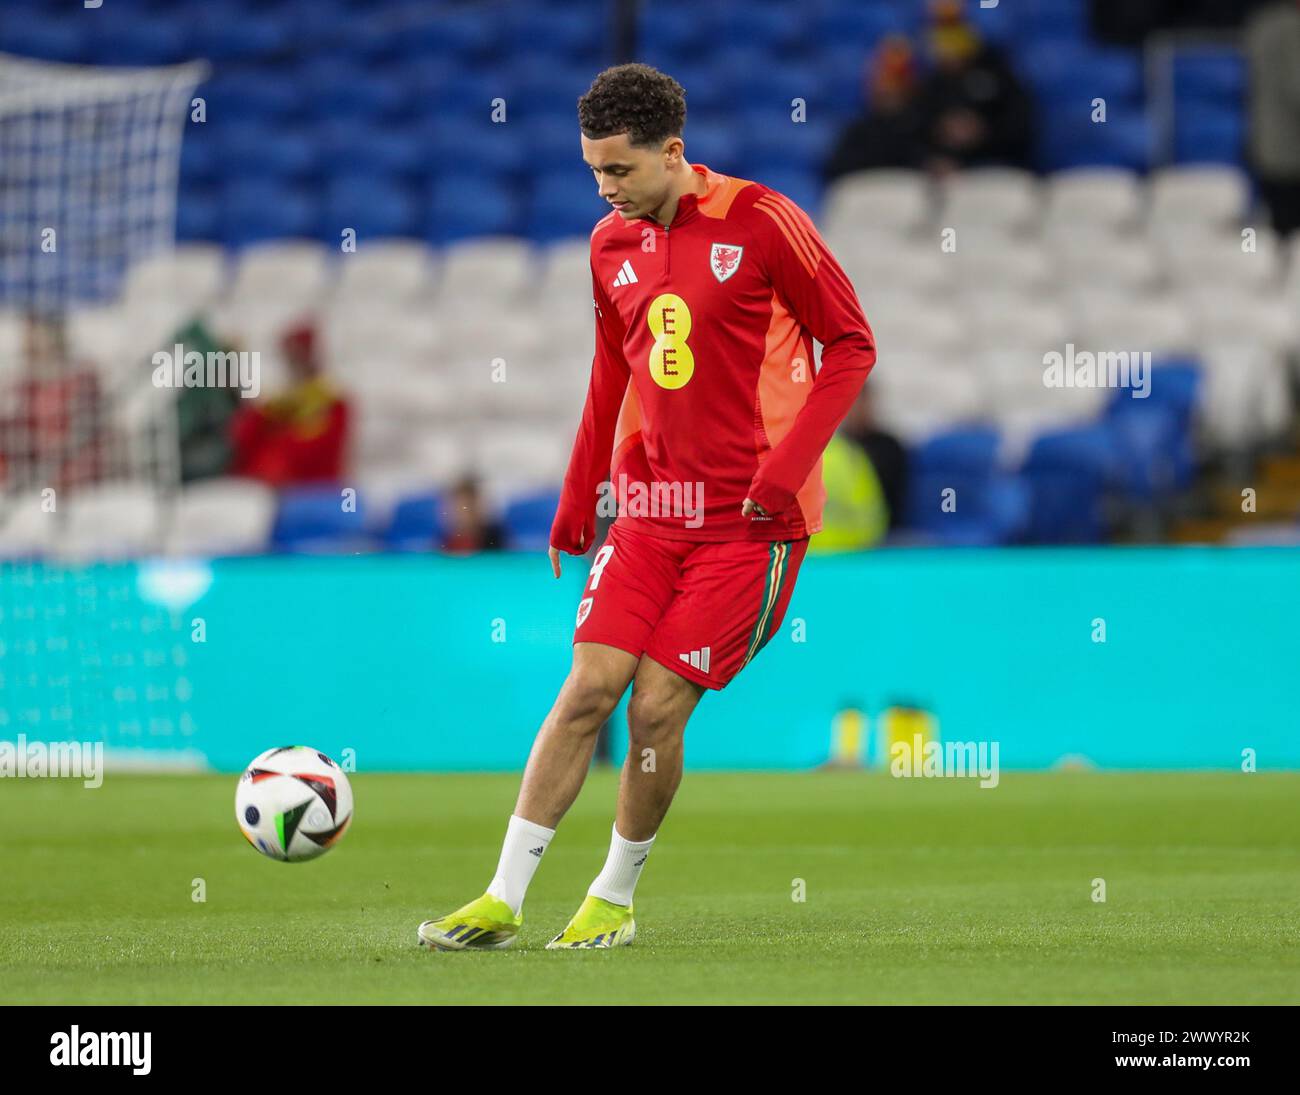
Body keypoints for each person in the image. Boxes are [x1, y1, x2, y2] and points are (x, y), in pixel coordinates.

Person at [417, 63, 876, 952]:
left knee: (656, 707)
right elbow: (611, 370)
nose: (604, 188)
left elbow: (851, 344)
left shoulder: (762, 221)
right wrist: (575, 494)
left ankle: (613, 899)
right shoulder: (608, 245)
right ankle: (502, 897)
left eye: (619, 170)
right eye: (593, 169)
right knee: (589, 685)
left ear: (673, 151)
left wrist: (785, 471)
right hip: (649, 510)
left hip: (751, 523)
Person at [915, 0, 1034, 174]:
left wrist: (982, 132)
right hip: (947, 174)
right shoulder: (930, 82)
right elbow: (911, 131)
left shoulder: (998, 73)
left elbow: (1021, 125)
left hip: (997, 166)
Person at [229, 321, 349, 486]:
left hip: (313, 490)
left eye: (298, 355)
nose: (293, 363)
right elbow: (244, 440)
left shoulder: (334, 405)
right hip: (267, 487)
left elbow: (318, 451)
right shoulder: (278, 405)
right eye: (290, 356)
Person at [823, 35, 928, 182]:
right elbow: (836, 170)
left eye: (896, 82)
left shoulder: (923, 129)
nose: (888, 91)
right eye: (884, 82)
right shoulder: (860, 130)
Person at [1245, 0, 1300, 237]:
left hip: (1265, 143)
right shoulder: (1293, 29)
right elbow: (1296, 88)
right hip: (1291, 151)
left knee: (1277, 233)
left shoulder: (1260, 24)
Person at [439, 475, 509, 553]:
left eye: (468, 507)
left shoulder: (496, 536)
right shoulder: (445, 539)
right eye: (459, 508)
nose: (464, 514)